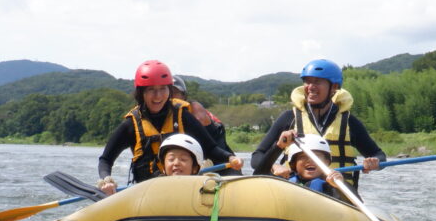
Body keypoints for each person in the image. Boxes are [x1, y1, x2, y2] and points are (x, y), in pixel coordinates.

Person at [97, 60, 242, 195]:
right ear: (141, 93)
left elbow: (210, 148)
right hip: (148, 192)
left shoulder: (183, 115)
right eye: (151, 90)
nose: (158, 96)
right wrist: (106, 180)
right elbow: (105, 160)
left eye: (163, 89)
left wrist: (230, 157)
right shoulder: (131, 124)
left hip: (182, 190)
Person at [251, 58, 384, 191]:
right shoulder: (289, 118)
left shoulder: (349, 122)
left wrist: (375, 162)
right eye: (307, 81)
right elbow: (257, 158)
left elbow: (379, 155)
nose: (311, 87)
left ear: (334, 87)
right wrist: (274, 167)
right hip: (294, 190)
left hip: (338, 193)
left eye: (317, 82)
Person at [171, 75, 241, 176]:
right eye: (169, 92)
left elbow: (206, 147)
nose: (172, 97)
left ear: (184, 96)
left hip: (218, 157)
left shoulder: (193, 109)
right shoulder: (165, 117)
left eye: (175, 92)